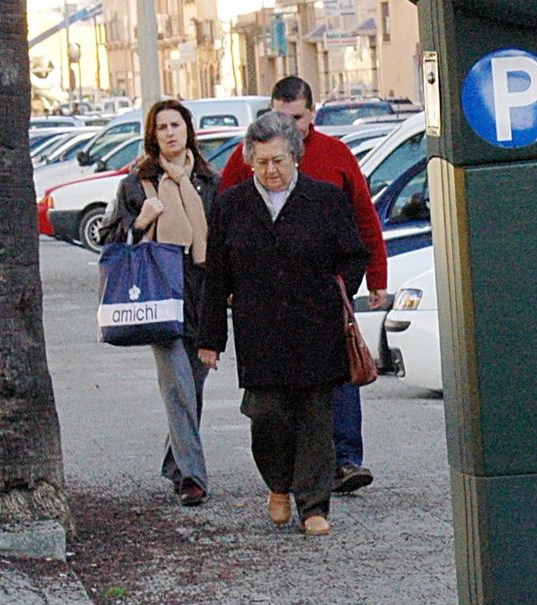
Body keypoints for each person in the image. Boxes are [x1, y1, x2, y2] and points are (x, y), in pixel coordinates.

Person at [199, 112, 370, 537]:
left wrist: (335, 294)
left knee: (315, 417)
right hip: (260, 330)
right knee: (268, 416)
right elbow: (216, 273)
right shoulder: (231, 204)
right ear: (250, 161)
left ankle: (313, 505)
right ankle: (278, 483)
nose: (271, 170)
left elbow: (353, 255)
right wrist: (210, 339)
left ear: (295, 156)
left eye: (278, 160)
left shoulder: (325, 199)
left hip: (316, 327)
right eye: (261, 163)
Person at [218, 76, 389, 496]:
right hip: (269, 300)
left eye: (295, 117)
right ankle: (290, 472)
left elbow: (364, 221)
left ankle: (346, 460)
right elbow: (225, 220)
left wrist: (373, 280)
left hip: (323, 292)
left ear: (312, 114)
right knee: (275, 399)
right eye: (279, 116)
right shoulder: (253, 157)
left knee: (339, 372)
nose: (288, 126)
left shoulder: (336, 155)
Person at [105, 99, 219, 508]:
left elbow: (221, 246)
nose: (170, 133)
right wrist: (141, 220)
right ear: (152, 136)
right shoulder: (137, 184)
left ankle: (175, 465)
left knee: (195, 391)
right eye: (161, 127)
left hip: (204, 298)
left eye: (176, 125)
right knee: (177, 389)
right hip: (160, 296)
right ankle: (194, 477)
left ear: (189, 130)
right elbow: (110, 240)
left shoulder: (210, 180)